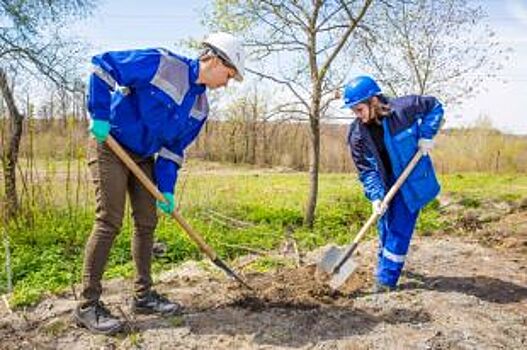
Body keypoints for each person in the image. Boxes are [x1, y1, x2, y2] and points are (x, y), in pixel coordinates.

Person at [73, 32, 245, 334]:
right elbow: (103, 66)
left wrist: (166, 187)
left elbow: (172, 151)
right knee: (109, 220)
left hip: (143, 157)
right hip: (109, 143)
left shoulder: (200, 108)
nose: (226, 83)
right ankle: (87, 305)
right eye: (228, 75)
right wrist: (99, 113)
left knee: (147, 221)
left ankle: (143, 297)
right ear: (215, 60)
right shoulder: (162, 63)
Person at [342, 76, 443, 293]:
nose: (357, 115)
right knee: (384, 226)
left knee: (399, 229)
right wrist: (376, 196)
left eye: (359, 109)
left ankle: (386, 280)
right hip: (386, 185)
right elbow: (366, 170)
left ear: (374, 101)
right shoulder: (357, 135)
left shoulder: (404, 109)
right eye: (354, 111)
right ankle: (385, 263)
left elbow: (434, 106)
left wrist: (426, 135)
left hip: (411, 182)